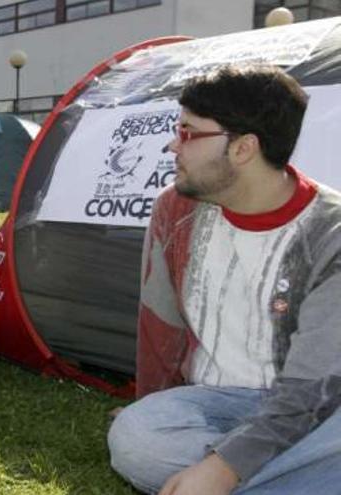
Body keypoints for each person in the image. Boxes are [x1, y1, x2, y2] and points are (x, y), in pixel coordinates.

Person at [107, 65, 341, 495]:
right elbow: (160, 326)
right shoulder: (174, 211)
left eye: (189, 133)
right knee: (136, 436)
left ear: (243, 148)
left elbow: (315, 388)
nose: (172, 144)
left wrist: (226, 466)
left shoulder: (332, 233)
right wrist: (149, 406)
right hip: (217, 405)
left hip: (317, 407)